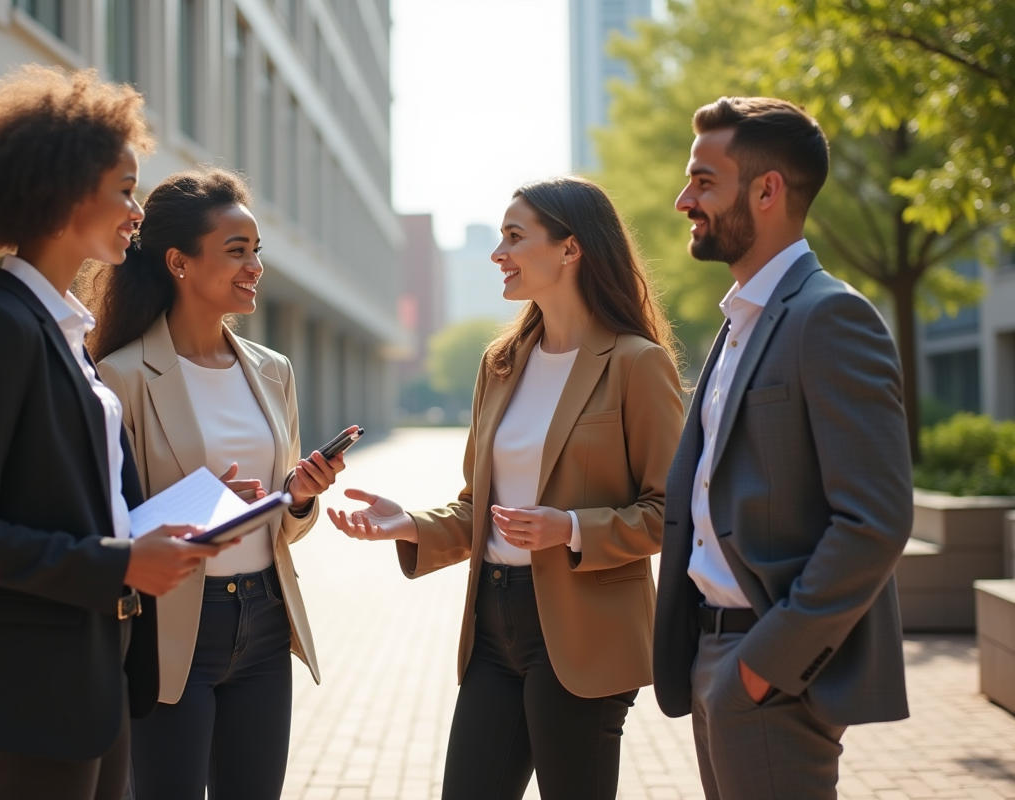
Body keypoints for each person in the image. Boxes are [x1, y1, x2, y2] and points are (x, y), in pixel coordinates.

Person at [0, 67, 238, 800]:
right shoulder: (0, 329)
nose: (137, 210)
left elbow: (79, 503)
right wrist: (121, 563)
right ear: (65, 191)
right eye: (124, 189)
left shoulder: (62, 334)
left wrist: (182, 520)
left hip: (93, 676)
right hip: (30, 692)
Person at [327, 176, 684, 800]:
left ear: (570, 249)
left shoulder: (635, 363)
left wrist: (569, 528)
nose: (499, 254)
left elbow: (670, 512)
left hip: (584, 630)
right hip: (493, 625)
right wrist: (408, 522)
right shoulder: (501, 364)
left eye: (515, 238)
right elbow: (477, 506)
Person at [652, 96, 913, 800]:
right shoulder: (741, 322)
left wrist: (763, 668)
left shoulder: (831, 317)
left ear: (767, 191)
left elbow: (875, 522)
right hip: (715, 654)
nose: (684, 200)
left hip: (766, 668)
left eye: (705, 181)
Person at [90, 167, 351, 800]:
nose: (255, 266)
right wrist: (205, 503)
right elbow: (105, 525)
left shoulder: (273, 371)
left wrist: (301, 494)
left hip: (264, 617)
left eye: (256, 251)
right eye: (237, 251)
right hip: (172, 626)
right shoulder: (119, 376)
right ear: (179, 262)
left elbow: (284, 519)